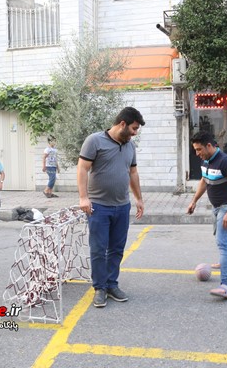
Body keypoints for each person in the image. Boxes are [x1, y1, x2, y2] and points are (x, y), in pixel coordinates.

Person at [77, 106, 145, 308]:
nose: (135, 133)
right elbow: (82, 168)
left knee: (116, 249)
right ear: (122, 124)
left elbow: (133, 173)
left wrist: (139, 198)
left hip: (122, 206)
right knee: (99, 249)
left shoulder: (130, 146)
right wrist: (83, 198)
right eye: (133, 128)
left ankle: (112, 284)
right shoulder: (95, 141)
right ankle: (100, 288)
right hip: (99, 206)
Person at [187, 131, 227, 299]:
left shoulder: (225, 162)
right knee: (221, 238)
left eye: (199, 149)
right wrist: (194, 201)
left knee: (222, 241)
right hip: (216, 207)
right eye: (195, 150)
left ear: (209, 146)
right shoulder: (205, 160)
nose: (197, 153)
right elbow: (204, 180)